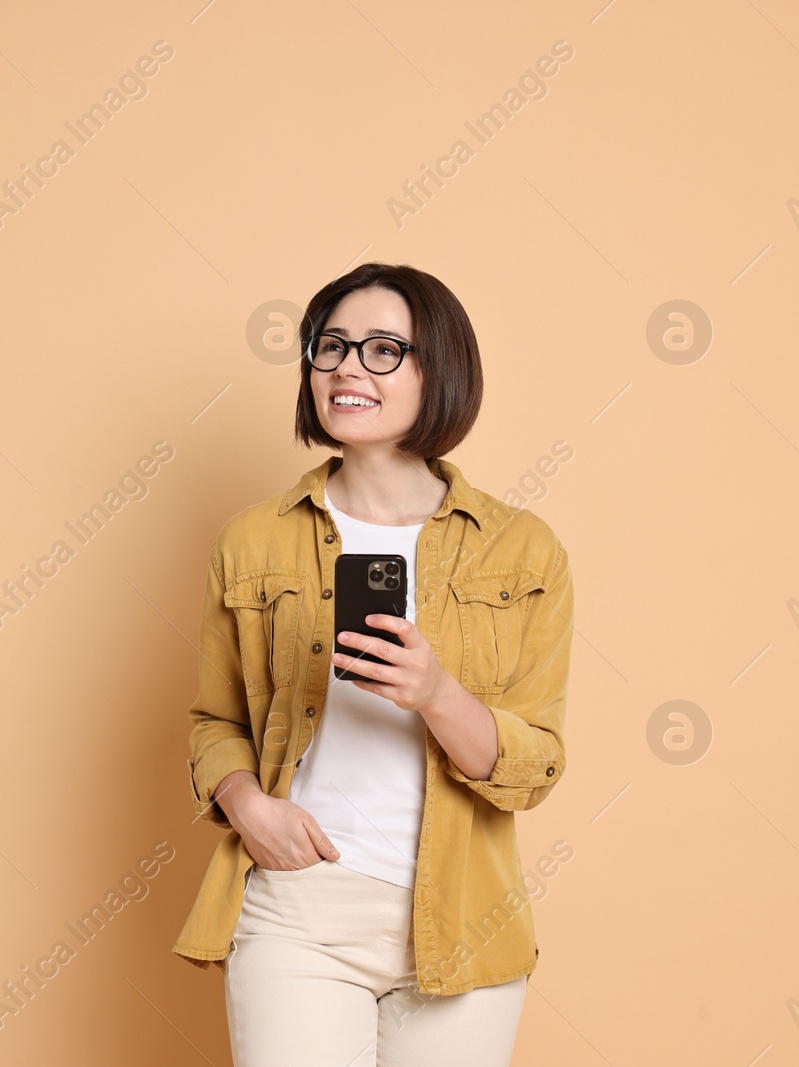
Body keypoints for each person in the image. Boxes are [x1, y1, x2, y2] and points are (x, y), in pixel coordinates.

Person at [171, 263, 575, 1066]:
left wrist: (435, 692)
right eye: (333, 346)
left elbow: (532, 766)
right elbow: (215, 720)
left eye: (385, 349)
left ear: (442, 370)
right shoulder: (254, 539)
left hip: (464, 915)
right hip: (301, 904)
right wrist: (248, 805)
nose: (350, 367)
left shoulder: (521, 549)